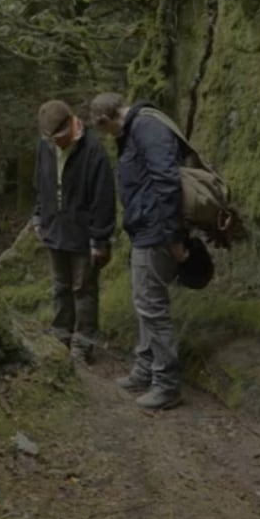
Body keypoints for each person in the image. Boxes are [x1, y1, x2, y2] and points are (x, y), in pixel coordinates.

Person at [89, 92, 187, 410]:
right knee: (144, 303)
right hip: (145, 229)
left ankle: (166, 384)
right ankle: (145, 370)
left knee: (152, 308)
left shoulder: (146, 127)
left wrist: (172, 236)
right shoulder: (135, 129)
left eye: (104, 130)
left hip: (156, 231)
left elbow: (167, 181)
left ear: (108, 119)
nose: (106, 137)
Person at [32, 99, 116, 363]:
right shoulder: (45, 146)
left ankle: (83, 344)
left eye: (59, 136)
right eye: (50, 138)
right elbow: (41, 182)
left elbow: (103, 198)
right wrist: (38, 215)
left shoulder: (93, 150)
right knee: (60, 287)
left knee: (84, 289)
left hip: (84, 233)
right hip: (54, 227)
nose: (55, 142)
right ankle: (60, 337)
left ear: (71, 123)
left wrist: (100, 239)